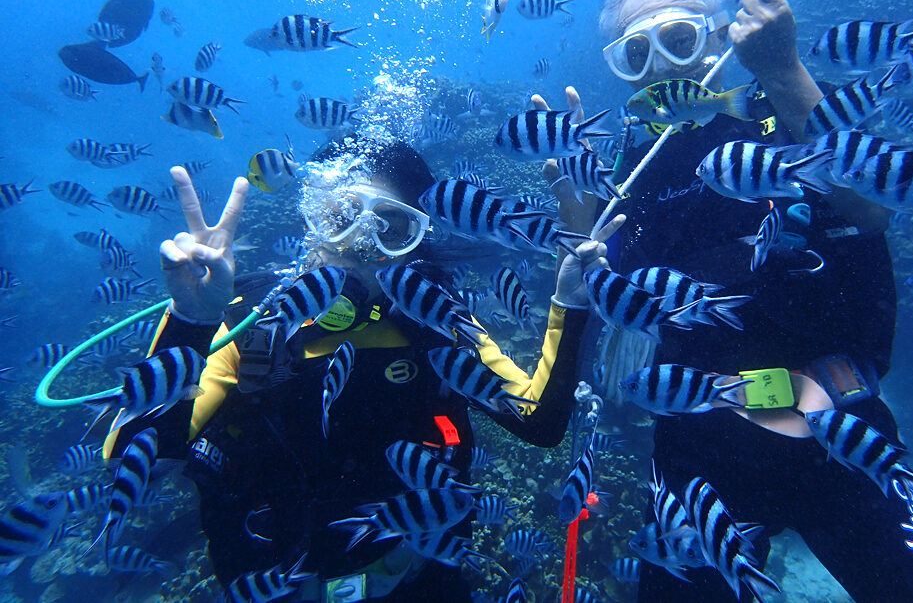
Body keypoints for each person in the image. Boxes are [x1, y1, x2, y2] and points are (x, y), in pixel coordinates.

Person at [596, 0, 913, 601]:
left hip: (836, 431)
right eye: (636, 53)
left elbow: (872, 207)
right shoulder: (634, 172)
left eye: (678, 36)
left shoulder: (787, 114)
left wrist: (783, 69)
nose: (662, 64)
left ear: (724, 32)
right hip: (700, 451)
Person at [103, 137, 624, 602]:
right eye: (340, 216)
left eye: (390, 227)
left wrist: (569, 301)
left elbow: (539, 421)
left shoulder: (434, 321)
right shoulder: (250, 324)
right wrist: (192, 322)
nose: (358, 242)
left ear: (415, 240)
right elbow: (132, 457)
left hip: (416, 583)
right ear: (312, 220)